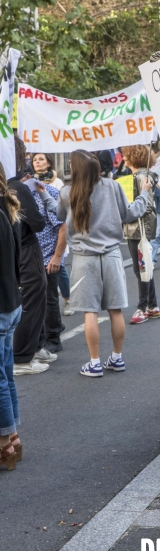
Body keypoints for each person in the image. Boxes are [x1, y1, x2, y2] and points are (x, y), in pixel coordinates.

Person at [37, 149, 152, 377]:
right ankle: (117, 358)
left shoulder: (67, 192)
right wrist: (145, 193)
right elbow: (131, 213)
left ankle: (94, 362)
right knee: (115, 310)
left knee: (90, 312)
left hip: (83, 259)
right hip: (111, 256)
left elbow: (58, 214)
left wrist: (43, 194)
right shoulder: (112, 186)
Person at [8, 136, 51, 375]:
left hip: (14, 252)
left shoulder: (10, 186)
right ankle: (23, 357)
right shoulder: (18, 188)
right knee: (32, 301)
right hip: (26, 251)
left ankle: (31, 349)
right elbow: (37, 223)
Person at [119, 145, 160, 324]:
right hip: (136, 228)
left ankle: (142, 307)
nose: (122, 157)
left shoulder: (140, 177)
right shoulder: (139, 176)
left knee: (141, 269)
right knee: (144, 269)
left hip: (138, 229)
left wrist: (130, 209)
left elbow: (147, 205)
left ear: (133, 155)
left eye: (125, 154)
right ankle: (152, 306)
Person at [0, 162, 22, 470]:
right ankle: (13, 436)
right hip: (10, 302)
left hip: (2, 304)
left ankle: (4, 442)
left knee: (1, 379)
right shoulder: (7, 207)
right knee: (7, 375)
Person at [32, 179, 67, 354]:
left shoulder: (49, 192)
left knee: (49, 298)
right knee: (35, 300)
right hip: (31, 258)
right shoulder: (16, 194)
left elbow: (63, 226)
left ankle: (53, 338)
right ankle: (50, 329)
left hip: (48, 256)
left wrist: (57, 257)